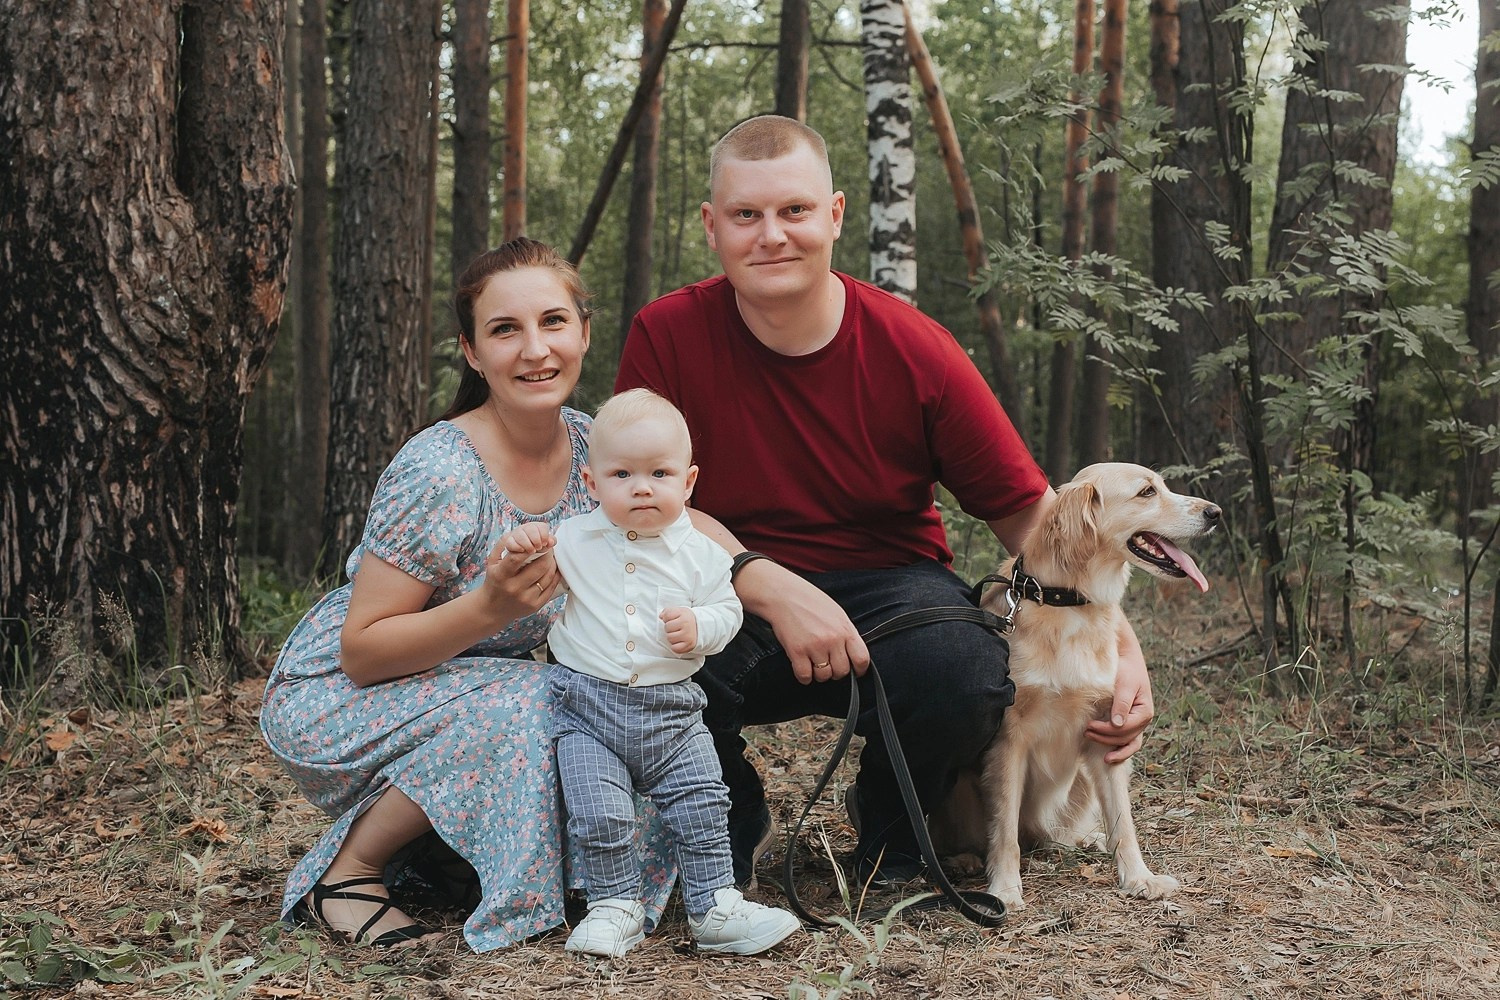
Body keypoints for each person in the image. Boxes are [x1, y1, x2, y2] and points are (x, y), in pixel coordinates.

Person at [616, 115, 1155, 888]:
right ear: (711, 226)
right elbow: (646, 501)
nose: (772, 235)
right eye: (746, 215)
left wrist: (1122, 650)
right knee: (641, 650)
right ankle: (722, 824)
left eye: (794, 211)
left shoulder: (916, 347)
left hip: (891, 590)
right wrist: (769, 584)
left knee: (969, 669)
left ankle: (893, 831)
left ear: (834, 215)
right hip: (724, 581)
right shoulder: (666, 334)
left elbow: (1036, 519)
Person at [260, 239, 677, 951]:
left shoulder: (592, 448)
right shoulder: (441, 471)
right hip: (342, 696)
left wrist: (750, 586)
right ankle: (347, 872)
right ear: (473, 352)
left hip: (467, 687)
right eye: (505, 329)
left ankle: (448, 857)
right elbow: (363, 652)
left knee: (614, 717)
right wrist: (491, 608)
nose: (535, 349)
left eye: (553, 322)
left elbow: (677, 525)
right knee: (541, 697)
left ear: (584, 331)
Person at [498, 388, 802, 958]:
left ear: (688, 483)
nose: (642, 486)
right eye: (622, 474)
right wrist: (519, 544)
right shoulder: (570, 539)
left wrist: (699, 625)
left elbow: (729, 611)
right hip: (586, 709)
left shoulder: (703, 554)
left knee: (703, 802)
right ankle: (615, 907)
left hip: (673, 712)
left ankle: (715, 906)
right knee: (598, 810)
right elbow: (525, 566)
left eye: (659, 473)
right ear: (591, 484)